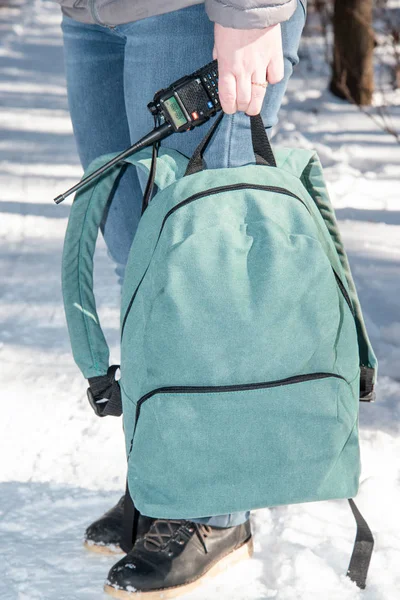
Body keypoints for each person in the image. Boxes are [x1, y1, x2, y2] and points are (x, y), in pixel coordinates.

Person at [59, 0, 306, 597]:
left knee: (200, 269)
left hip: (195, 14)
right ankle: (164, 478)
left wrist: (254, 11)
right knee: (140, 267)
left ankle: (214, 511)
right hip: (93, 16)